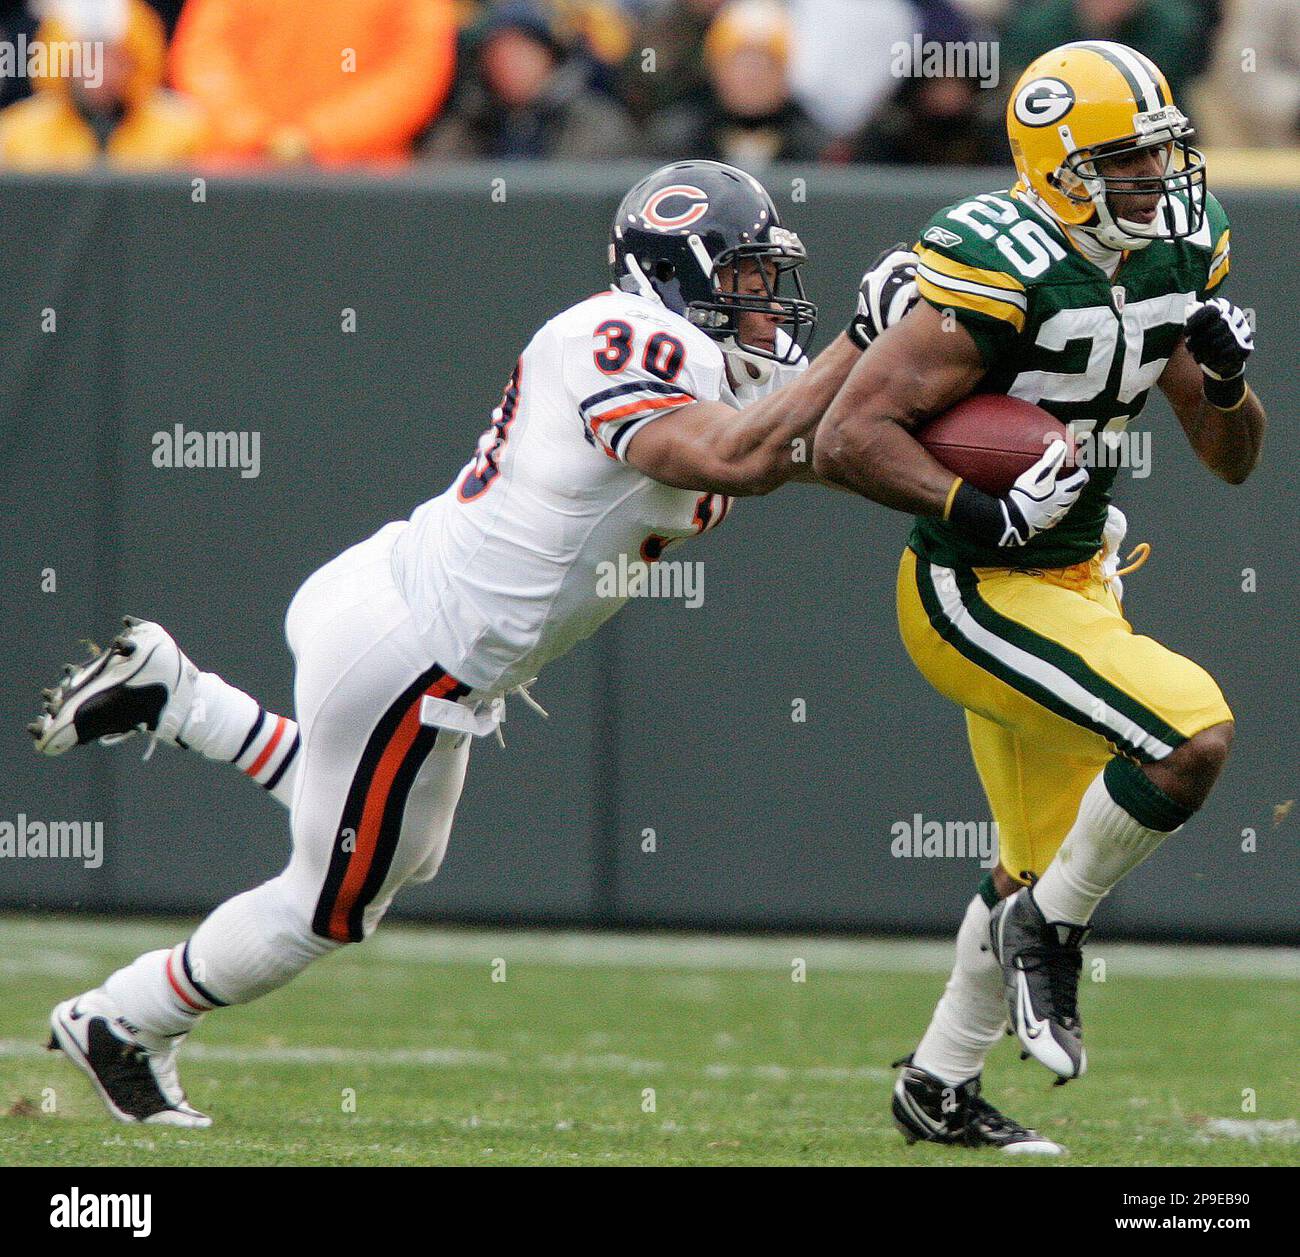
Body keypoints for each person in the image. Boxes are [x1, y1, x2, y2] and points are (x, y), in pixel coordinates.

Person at [31, 160, 918, 1127]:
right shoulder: (621, 337)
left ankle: (184, 700)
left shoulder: (705, 360)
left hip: (398, 615)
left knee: (403, 847)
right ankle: (123, 1018)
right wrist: (861, 343)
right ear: (680, 275)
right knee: (334, 903)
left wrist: (977, 486)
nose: (766, 302)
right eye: (745, 277)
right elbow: (732, 456)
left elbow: (820, 443)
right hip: (414, 655)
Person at [814, 41, 1263, 1154]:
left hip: (1078, 580)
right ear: (1060, 165)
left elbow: (1231, 458)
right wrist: (985, 515)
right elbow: (845, 436)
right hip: (973, 587)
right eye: (1128, 161)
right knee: (1189, 735)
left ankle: (938, 1082)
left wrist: (1226, 381)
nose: (1157, 182)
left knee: (1032, 855)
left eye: (1163, 155)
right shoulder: (997, 261)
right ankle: (1047, 936)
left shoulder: (1170, 253)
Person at [0, 0, 202, 169]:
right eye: (87, 58)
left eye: (113, 58)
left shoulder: (182, 132)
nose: (99, 72)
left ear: (137, 61)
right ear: (61, 62)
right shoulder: (19, 134)